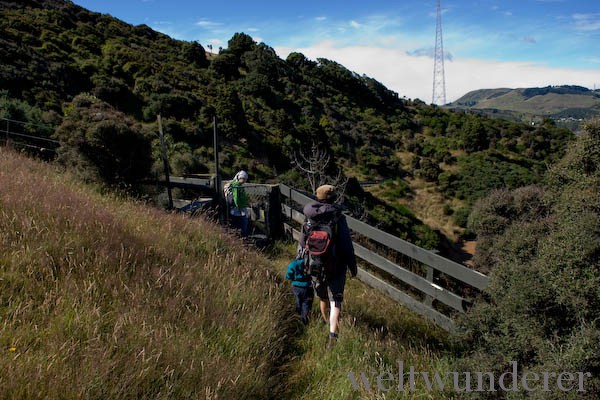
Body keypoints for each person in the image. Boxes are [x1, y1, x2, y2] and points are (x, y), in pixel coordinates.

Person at [299, 184, 357, 348]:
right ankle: (333, 335)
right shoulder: (338, 217)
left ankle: (326, 322)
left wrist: (302, 260)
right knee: (335, 301)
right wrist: (352, 266)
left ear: (317, 197)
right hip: (336, 264)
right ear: (333, 198)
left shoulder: (309, 216)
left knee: (323, 297)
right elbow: (346, 244)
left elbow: (303, 242)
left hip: (315, 263)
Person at [285, 258, 314, 325]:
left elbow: (288, 276)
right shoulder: (311, 262)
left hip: (296, 287)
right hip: (308, 287)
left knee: (297, 303)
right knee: (306, 305)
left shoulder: (293, 263)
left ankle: (296, 320)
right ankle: (305, 322)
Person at [227, 170, 249, 237]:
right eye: (244, 179)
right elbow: (236, 197)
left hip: (237, 208)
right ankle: (243, 236)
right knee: (243, 222)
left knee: (237, 223)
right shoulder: (237, 186)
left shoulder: (237, 184)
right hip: (239, 208)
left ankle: (238, 236)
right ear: (240, 178)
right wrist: (239, 207)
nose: (245, 181)